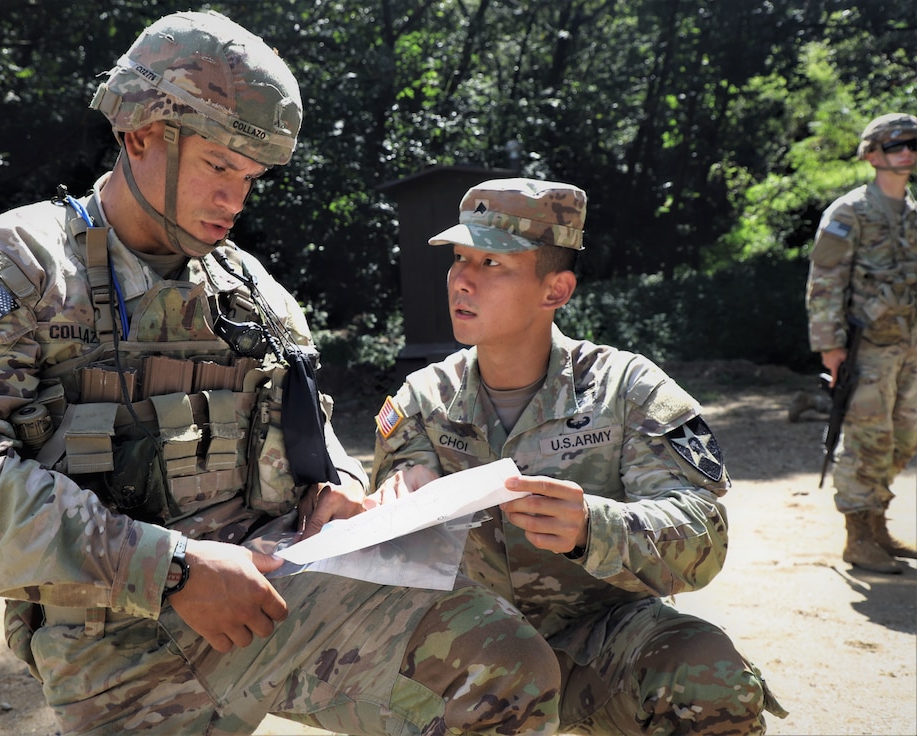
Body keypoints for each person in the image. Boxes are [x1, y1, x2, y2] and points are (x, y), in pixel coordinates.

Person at [0, 12, 561, 735]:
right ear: (140, 135)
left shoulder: (251, 290)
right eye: (218, 167)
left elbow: (311, 432)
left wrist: (335, 491)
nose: (235, 201)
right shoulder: (12, 270)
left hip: (275, 598)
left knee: (502, 664)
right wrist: (173, 569)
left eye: (250, 177)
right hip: (118, 642)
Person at [368, 178, 786, 735]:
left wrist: (594, 525)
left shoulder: (625, 389)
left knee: (707, 671)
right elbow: (383, 530)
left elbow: (703, 535)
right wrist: (397, 493)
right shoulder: (423, 400)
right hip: (466, 651)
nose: (462, 280)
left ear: (555, 291)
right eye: (461, 259)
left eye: (493, 264)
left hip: (600, 642)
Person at [804, 112, 917, 574]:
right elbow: (825, 280)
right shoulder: (850, 211)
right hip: (865, 347)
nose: (907, 152)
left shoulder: (912, 213)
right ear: (872, 154)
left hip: (909, 347)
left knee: (903, 439)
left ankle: (877, 526)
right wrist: (830, 346)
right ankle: (857, 538)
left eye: (913, 144)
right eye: (896, 145)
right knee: (868, 439)